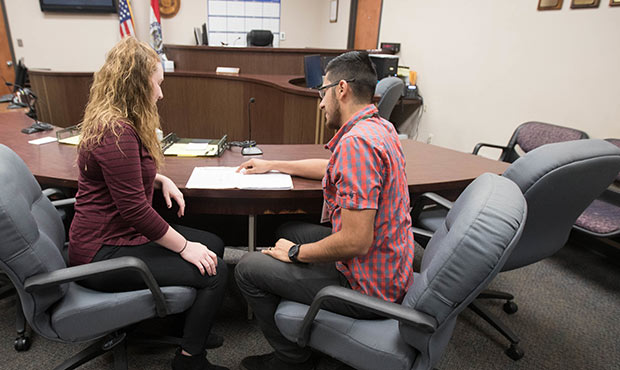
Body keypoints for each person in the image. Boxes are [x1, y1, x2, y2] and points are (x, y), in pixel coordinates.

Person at [234, 51, 414, 370]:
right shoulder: (379, 128)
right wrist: (272, 164)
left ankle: (292, 359)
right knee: (286, 230)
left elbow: (356, 241)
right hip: (388, 270)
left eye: (323, 92)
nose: (320, 103)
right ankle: (304, 328)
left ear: (341, 89)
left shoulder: (358, 145)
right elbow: (332, 167)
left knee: (247, 267)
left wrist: (296, 254)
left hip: (366, 288)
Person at [68, 36, 228, 370]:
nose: (161, 94)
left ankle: (183, 329)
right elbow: (135, 211)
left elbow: (120, 177)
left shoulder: (116, 122)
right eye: (157, 85)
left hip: (117, 235)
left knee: (213, 243)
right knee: (215, 270)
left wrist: (160, 179)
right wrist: (184, 247)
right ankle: (190, 359)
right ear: (137, 85)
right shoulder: (114, 132)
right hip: (102, 251)